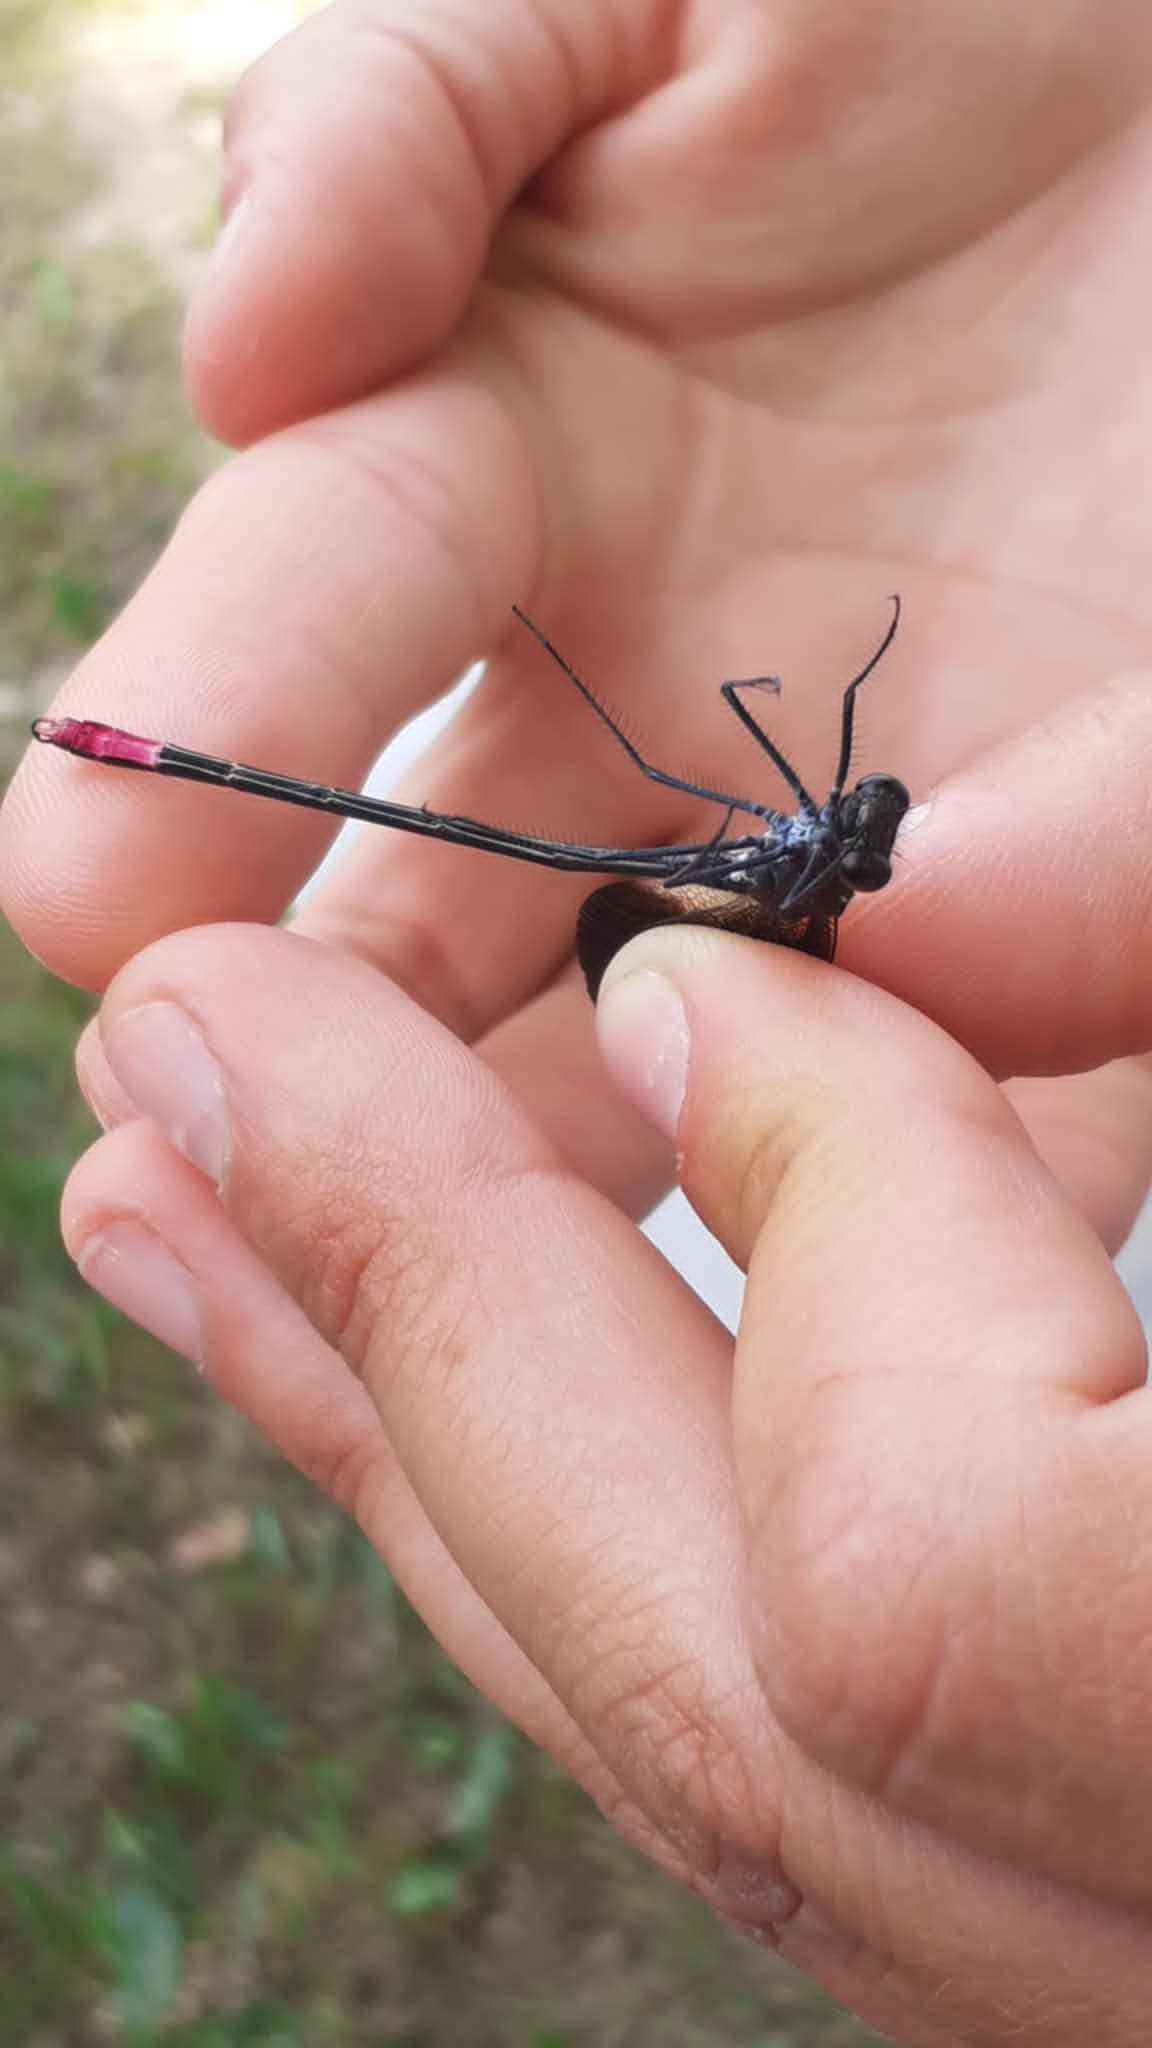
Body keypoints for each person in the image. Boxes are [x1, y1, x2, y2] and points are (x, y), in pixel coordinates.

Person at [4, 4, 1152, 2037]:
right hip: (688, 893)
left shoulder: (858, 871)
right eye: (866, 815)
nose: (869, 815)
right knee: (615, 815)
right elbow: (757, 752)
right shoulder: (832, 818)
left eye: (869, 824)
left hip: (791, 978)